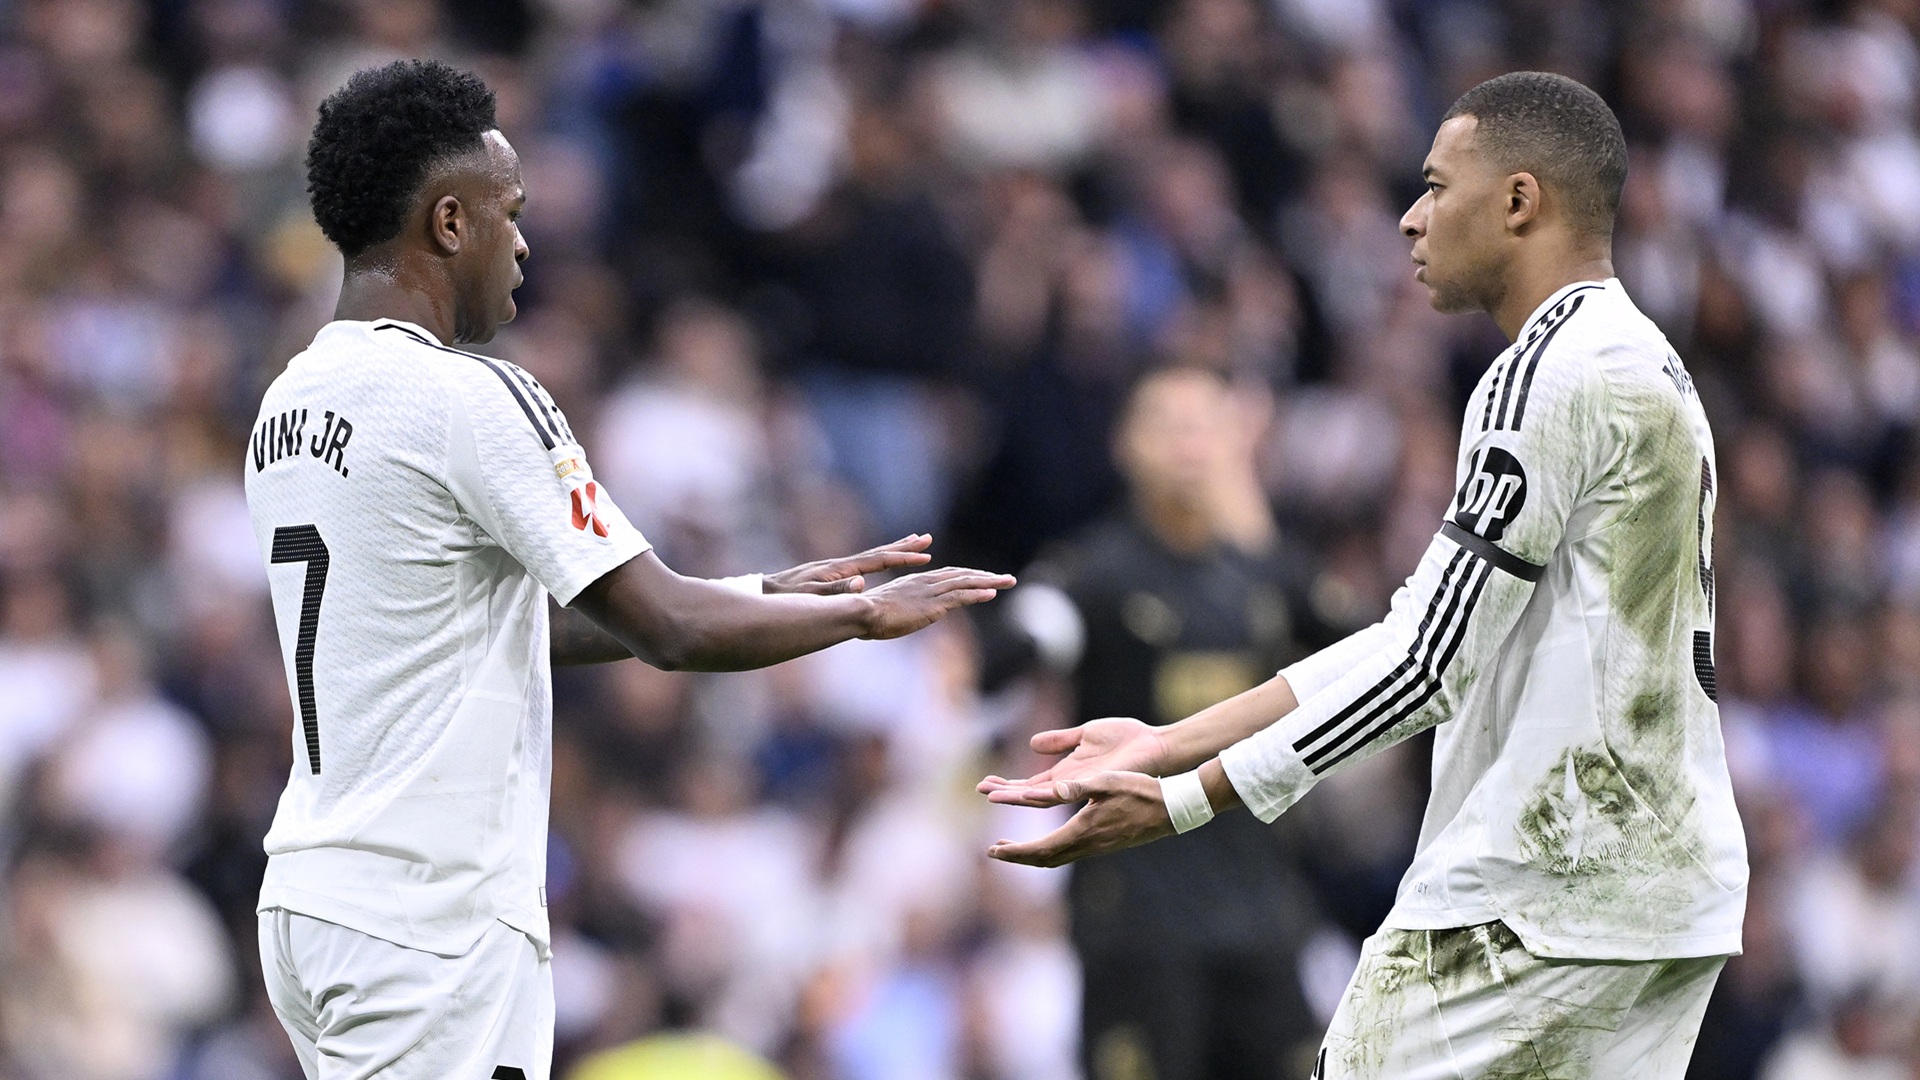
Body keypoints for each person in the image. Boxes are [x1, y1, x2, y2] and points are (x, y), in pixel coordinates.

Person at [246, 60, 1013, 1080]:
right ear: (445, 223)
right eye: (507, 214)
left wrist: (763, 593)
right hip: (427, 914)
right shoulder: (468, 398)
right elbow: (671, 628)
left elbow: (502, 622)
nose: (522, 243)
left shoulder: (287, 407)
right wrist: (865, 618)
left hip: (313, 893)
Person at [980, 70, 1747, 1079]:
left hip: (1543, 891)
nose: (1410, 218)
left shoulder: (1541, 375)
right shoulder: (1651, 365)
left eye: (1435, 186)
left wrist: (1190, 797)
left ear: (1519, 201)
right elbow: (1411, 632)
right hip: (1666, 897)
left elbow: (1426, 668)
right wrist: (1170, 745)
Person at [1011, 366, 1337, 1080]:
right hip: (1138, 917)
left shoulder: (1268, 577)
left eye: (1207, 424)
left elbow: (1370, 645)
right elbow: (1031, 630)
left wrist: (1254, 525)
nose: (1190, 443)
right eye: (1168, 424)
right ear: (1125, 443)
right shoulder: (1096, 571)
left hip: (1261, 910)